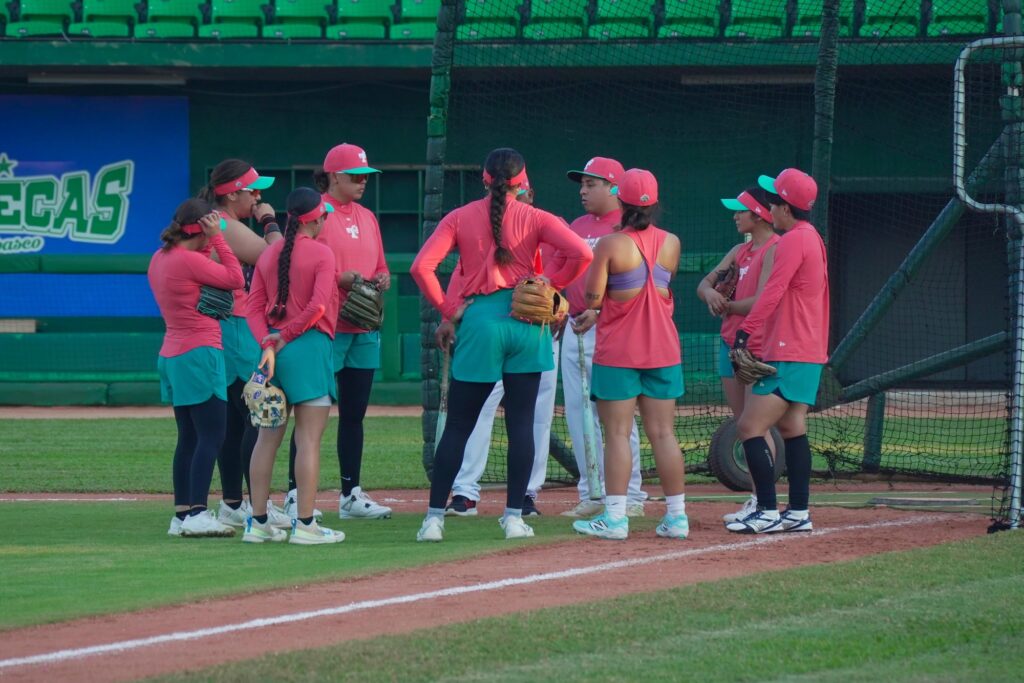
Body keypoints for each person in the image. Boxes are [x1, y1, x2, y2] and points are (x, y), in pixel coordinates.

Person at [411, 147, 592, 542]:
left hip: (480, 322)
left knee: (459, 426)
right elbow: (582, 252)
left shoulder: (460, 216)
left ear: (485, 179)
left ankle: (434, 520)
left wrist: (449, 309)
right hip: (527, 323)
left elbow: (420, 267)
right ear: (521, 182)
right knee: (522, 425)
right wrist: (551, 284)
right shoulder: (537, 216)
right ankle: (513, 518)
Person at [572, 169, 688, 541]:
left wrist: (595, 307)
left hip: (619, 352)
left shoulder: (610, 243)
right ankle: (677, 518)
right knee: (664, 434)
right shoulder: (672, 242)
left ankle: (616, 519)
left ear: (620, 200)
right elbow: (661, 285)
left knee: (618, 434)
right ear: (654, 203)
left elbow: (592, 298)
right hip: (664, 349)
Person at [284, 143, 393, 521]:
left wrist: (382, 278)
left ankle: (351, 495)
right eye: (355, 176)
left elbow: (382, 265)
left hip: (363, 327)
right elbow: (297, 261)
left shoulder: (367, 217)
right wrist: (338, 278)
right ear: (333, 176)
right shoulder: (317, 215)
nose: (363, 181)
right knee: (309, 414)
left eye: (365, 176)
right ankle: (295, 495)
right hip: (326, 328)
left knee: (354, 414)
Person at [444, 175, 556, 517]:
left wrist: (558, 301)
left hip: (535, 331)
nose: (516, 197)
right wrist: (449, 315)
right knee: (478, 412)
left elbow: (574, 263)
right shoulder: (481, 227)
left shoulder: (547, 226)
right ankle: (465, 491)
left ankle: (527, 494)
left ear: (529, 193)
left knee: (536, 417)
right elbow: (460, 275)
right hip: (494, 330)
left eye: (522, 192)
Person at [725, 168, 828, 534]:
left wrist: (744, 332)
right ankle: (798, 511)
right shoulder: (811, 237)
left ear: (785, 208)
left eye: (773, 201)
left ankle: (767, 510)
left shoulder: (792, 241)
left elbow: (772, 292)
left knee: (749, 426)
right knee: (791, 426)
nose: (769, 207)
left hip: (789, 349)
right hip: (807, 349)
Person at [243, 188, 345, 545]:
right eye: (324, 215)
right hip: (308, 349)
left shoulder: (269, 254)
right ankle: (304, 524)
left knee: (266, 440)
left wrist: (268, 343)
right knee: (308, 441)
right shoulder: (322, 253)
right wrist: (284, 338)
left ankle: (257, 522)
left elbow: (252, 308)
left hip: (270, 355)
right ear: (316, 219)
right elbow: (318, 307)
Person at [196, 159, 291, 531]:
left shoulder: (221, 222)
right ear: (232, 194)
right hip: (234, 327)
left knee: (236, 420)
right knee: (256, 413)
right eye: (252, 190)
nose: (257, 196)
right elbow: (280, 257)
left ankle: (234, 503)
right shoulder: (225, 224)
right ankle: (256, 504)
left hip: (231, 325)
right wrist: (269, 221)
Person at [148, 198, 245, 538]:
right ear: (201, 229)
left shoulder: (161, 257)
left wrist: (208, 239)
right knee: (212, 436)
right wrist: (218, 238)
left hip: (174, 354)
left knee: (189, 437)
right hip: (199, 353)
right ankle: (199, 513)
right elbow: (236, 278)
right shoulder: (189, 261)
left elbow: (200, 266)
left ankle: (182, 515)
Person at [557, 156, 647, 519]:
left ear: (614, 188)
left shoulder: (630, 228)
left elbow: (638, 282)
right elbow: (562, 270)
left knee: (617, 414)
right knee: (578, 414)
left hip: (613, 328)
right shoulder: (576, 226)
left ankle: (632, 495)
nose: (583, 190)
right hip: (573, 325)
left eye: (591, 184)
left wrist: (601, 310)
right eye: (582, 184)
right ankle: (591, 492)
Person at [696, 185, 781, 522]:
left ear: (758, 214)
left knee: (756, 426)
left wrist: (727, 305)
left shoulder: (774, 249)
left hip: (757, 344)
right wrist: (711, 296)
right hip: (729, 342)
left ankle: (764, 501)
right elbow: (704, 284)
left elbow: (762, 301)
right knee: (744, 423)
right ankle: (757, 500)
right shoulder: (739, 250)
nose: (735, 215)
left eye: (741, 210)